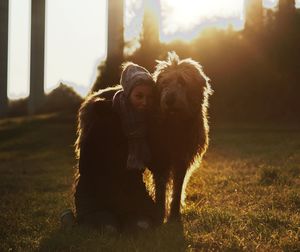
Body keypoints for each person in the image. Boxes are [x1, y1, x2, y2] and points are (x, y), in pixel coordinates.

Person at [72, 62, 158, 232]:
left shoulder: (143, 125)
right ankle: (70, 221)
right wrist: (122, 205)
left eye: (150, 97)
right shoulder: (103, 120)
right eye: (139, 96)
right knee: (108, 229)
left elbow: (136, 174)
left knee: (143, 226)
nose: (145, 102)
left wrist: (143, 206)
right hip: (96, 195)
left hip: (127, 194)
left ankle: (124, 218)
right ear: (127, 94)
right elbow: (89, 170)